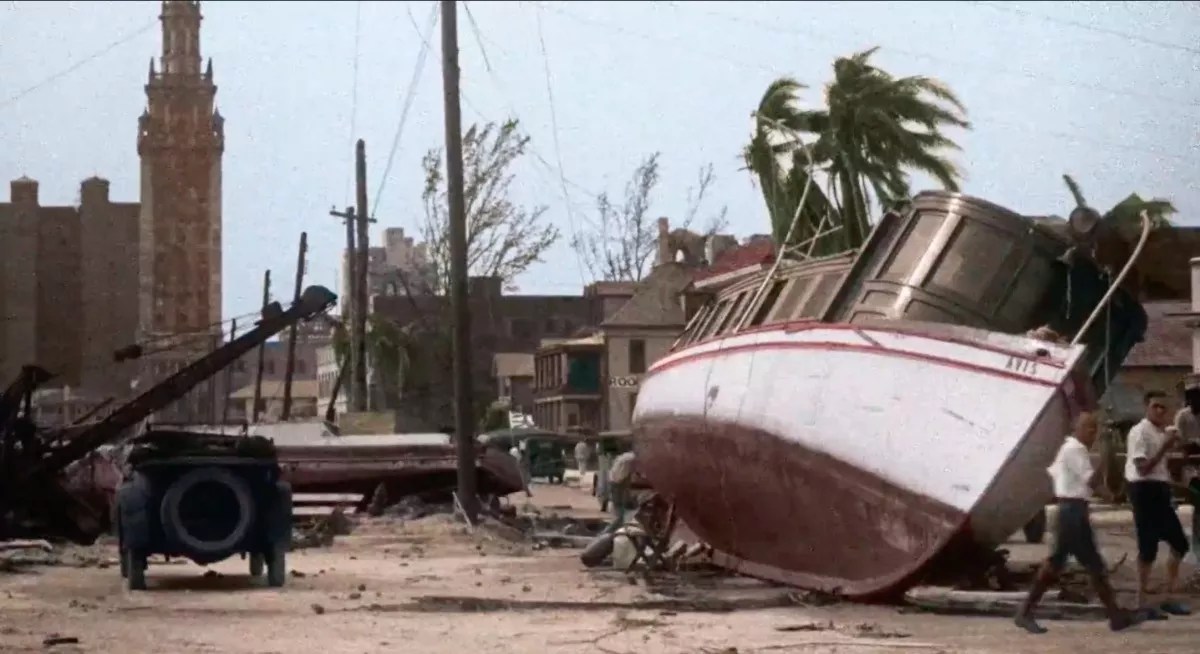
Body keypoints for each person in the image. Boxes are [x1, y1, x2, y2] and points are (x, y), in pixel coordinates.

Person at [1015, 412, 1140, 634]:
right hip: (1071, 511)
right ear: (1077, 428)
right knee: (1058, 562)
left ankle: (1115, 616)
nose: (1093, 433)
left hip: (1076, 509)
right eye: (1089, 428)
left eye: (1095, 428)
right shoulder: (1074, 449)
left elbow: (1075, 480)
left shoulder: (1073, 450)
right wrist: (1106, 466)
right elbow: (1091, 480)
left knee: (1093, 564)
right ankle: (1024, 613)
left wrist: (1108, 490)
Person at [1126, 390, 1191, 614]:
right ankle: (1140, 599)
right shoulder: (1140, 432)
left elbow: (1162, 465)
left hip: (1160, 488)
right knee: (1148, 546)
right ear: (1147, 407)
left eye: (1164, 407)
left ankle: (1168, 594)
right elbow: (1142, 469)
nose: (1161, 411)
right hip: (1143, 489)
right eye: (1156, 406)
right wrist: (1165, 446)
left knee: (1180, 543)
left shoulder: (1160, 431)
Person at [601, 450, 637, 535]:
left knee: (619, 512)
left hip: (615, 480)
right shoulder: (631, 459)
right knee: (619, 514)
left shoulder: (627, 456)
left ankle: (609, 532)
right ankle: (607, 533)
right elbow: (623, 478)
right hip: (618, 482)